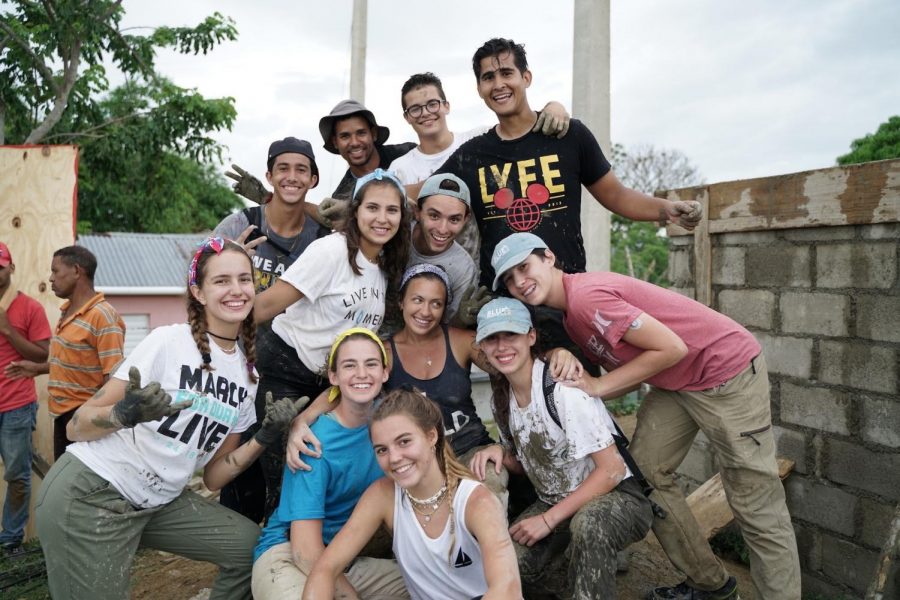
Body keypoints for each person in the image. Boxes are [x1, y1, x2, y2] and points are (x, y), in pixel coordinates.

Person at [490, 231, 801, 600]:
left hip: (725, 371)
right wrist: (583, 375)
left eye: (524, 267)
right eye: (509, 278)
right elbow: (631, 369)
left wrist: (597, 386)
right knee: (647, 474)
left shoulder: (587, 297)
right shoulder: (573, 318)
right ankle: (710, 584)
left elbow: (672, 346)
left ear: (549, 258)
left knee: (753, 498)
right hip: (678, 382)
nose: (519, 281)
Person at [34, 238, 304, 600]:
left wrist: (264, 436)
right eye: (221, 281)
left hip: (159, 503)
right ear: (199, 292)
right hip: (94, 493)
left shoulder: (246, 376)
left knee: (248, 548)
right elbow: (76, 425)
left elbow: (214, 474)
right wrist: (124, 413)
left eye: (244, 279)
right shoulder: (167, 342)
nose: (236, 290)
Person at [434, 37, 703, 289]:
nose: (498, 84)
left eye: (507, 73)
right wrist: (391, 183)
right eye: (488, 77)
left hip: (567, 292)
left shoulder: (569, 135)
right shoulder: (473, 154)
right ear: (480, 88)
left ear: (526, 78)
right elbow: (424, 193)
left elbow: (616, 195)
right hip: (503, 302)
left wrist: (667, 209)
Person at [252, 168, 411, 519]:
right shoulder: (331, 251)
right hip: (287, 371)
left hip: (329, 381)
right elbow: (264, 306)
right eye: (372, 208)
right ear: (354, 212)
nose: (382, 218)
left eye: (391, 210)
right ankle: (275, 564)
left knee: (324, 478)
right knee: (286, 484)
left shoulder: (383, 266)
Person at [470, 296, 653, 599]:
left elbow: (612, 470)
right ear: (482, 348)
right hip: (555, 501)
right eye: (491, 338)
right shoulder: (501, 400)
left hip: (616, 496)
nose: (501, 346)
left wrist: (548, 520)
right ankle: (567, 580)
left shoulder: (563, 388)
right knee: (506, 561)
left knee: (590, 525)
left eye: (510, 335)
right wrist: (502, 454)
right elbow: (532, 462)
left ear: (530, 337)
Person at [302, 387, 522, 600]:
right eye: (382, 450)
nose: (394, 457)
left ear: (431, 436)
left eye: (404, 441)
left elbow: (507, 589)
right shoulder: (383, 496)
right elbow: (325, 569)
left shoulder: (476, 501)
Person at [215, 137, 327, 523]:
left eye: (301, 170)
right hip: (240, 367)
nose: (291, 177)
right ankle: (238, 563)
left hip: (295, 372)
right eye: (283, 168)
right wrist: (230, 268)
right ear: (269, 175)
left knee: (286, 471)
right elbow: (197, 285)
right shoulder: (241, 225)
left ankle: (282, 552)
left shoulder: (323, 238)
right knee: (241, 469)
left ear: (313, 178)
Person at [252, 328, 409, 599]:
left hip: (342, 557)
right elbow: (305, 551)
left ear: (384, 373)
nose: (362, 373)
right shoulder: (312, 443)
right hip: (290, 556)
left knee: (431, 584)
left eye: (371, 364)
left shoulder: (389, 422)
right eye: (350, 365)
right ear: (333, 377)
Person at [5, 245, 125, 459]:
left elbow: (113, 379)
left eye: (55, 271)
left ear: (77, 271)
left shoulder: (103, 316)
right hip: (63, 416)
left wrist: (97, 422)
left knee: (78, 488)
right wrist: (39, 369)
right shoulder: (67, 312)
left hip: (85, 418)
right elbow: (79, 361)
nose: (50, 278)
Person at [0, 242, 51, 556]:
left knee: (17, 474)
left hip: (16, 405)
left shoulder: (29, 308)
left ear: (11, 268)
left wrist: (8, 331)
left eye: (0, 267)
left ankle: (10, 539)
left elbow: (44, 355)